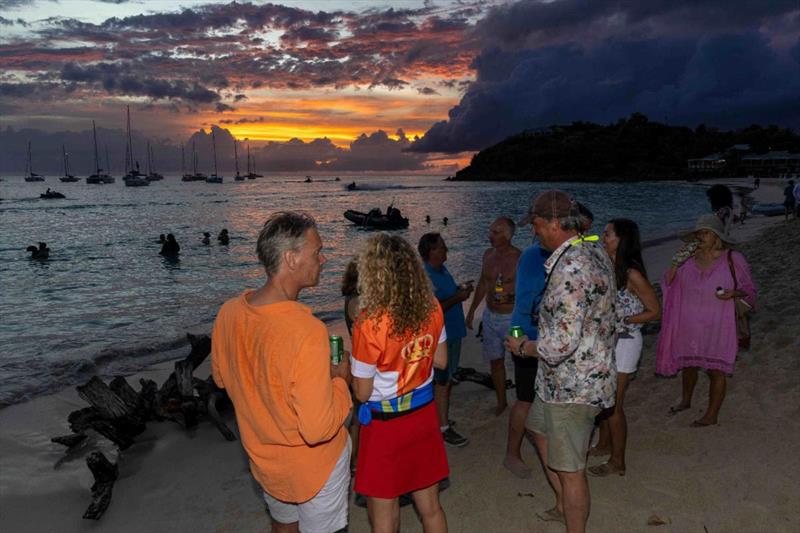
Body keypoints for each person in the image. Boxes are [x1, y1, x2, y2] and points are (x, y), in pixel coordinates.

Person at [211, 212, 352, 533]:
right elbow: (317, 429)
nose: (323, 259)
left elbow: (222, 378)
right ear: (291, 258)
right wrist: (340, 382)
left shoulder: (229, 313)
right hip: (314, 467)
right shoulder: (306, 331)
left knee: (283, 524)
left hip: (265, 460)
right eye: (317, 252)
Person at [504, 190, 616, 533]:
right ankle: (563, 504)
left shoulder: (569, 269)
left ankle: (573, 519)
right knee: (536, 427)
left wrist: (523, 346)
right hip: (567, 379)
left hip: (573, 387)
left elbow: (559, 345)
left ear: (554, 223)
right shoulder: (594, 249)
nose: (534, 231)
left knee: (571, 471)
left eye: (536, 224)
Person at [351, 234, 449, 533]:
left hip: (386, 426)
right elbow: (441, 361)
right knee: (431, 508)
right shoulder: (431, 306)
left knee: (385, 517)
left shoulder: (370, 322)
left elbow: (362, 392)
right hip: (423, 417)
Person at [656, 214, 756, 427]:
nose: (701, 237)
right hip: (689, 323)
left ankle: (711, 415)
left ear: (717, 237)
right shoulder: (687, 260)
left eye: (706, 233)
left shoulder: (733, 259)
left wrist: (734, 293)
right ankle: (685, 400)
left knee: (715, 370)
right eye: (698, 233)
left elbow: (749, 291)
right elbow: (668, 285)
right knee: (689, 365)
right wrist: (675, 263)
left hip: (719, 324)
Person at [588, 219, 661, 477]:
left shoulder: (632, 274)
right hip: (607, 341)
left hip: (626, 343)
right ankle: (604, 444)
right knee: (603, 400)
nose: (603, 237)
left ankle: (618, 461)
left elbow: (655, 311)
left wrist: (624, 320)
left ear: (621, 239)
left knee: (614, 405)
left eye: (607, 234)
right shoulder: (608, 267)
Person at [419, 232, 472, 447]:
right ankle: (443, 427)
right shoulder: (426, 276)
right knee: (442, 382)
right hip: (441, 337)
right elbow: (430, 310)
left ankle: (439, 418)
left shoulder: (442, 270)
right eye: (441, 247)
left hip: (452, 332)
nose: (446, 249)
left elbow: (444, 295)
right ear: (431, 251)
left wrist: (459, 290)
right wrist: (458, 297)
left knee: (446, 380)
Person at [466, 217, 521, 416]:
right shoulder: (488, 254)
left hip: (512, 319)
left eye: (495, 232)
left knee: (520, 361)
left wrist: (511, 297)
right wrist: (472, 311)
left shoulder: (519, 258)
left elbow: (527, 290)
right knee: (495, 361)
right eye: (490, 231)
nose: (490, 236)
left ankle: (523, 403)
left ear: (507, 235)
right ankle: (501, 402)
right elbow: (483, 283)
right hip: (490, 317)